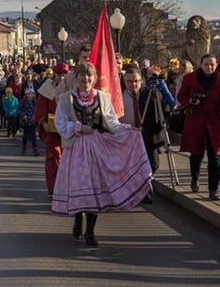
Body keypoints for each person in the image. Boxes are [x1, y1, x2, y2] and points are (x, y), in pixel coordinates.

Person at [53, 63, 151, 247]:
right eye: (82, 76)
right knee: (79, 186)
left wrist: (127, 130)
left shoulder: (103, 98)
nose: (86, 79)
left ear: (95, 78)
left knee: (95, 187)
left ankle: (90, 230)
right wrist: (79, 127)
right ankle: (78, 219)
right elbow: (60, 123)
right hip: (76, 148)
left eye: (89, 76)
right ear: (77, 78)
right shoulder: (67, 99)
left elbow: (112, 122)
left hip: (97, 147)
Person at [177, 53, 220, 201]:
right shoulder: (190, 79)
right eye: (206, 64)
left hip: (214, 123)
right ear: (200, 65)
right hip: (195, 121)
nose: (209, 67)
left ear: (216, 66)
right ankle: (194, 179)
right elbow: (181, 96)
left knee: (215, 156)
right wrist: (190, 101)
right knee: (196, 154)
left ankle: (213, 189)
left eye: (212, 65)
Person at [120, 67, 176, 203]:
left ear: (142, 81)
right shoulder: (119, 96)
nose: (133, 84)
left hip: (148, 134)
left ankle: (143, 185)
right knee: (131, 165)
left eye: (137, 81)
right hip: (127, 134)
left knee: (153, 163)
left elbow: (164, 110)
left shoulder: (149, 94)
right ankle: (141, 191)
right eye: (129, 81)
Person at [34, 62, 68, 197]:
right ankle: (53, 187)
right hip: (53, 131)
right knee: (53, 157)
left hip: (69, 130)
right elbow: (40, 110)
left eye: (64, 74)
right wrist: (43, 123)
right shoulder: (47, 88)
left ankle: (68, 186)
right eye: (59, 74)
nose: (62, 77)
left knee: (69, 159)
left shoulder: (72, 87)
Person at [19, 88, 39, 155]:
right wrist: (24, 115)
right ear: (26, 95)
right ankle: (24, 148)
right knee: (25, 136)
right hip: (25, 121)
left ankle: (35, 150)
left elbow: (37, 110)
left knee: (33, 136)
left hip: (32, 121)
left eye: (31, 94)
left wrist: (35, 116)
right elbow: (20, 110)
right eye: (28, 94)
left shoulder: (35, 102)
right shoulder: (23, 101)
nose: (30, 95)